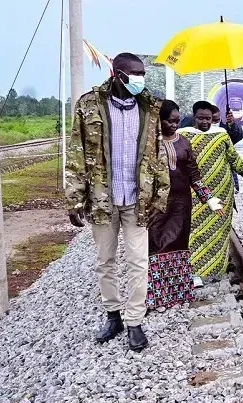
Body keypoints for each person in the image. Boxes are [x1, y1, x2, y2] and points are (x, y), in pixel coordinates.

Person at [65, 52, 170, 352]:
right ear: (118, 74)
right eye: (135, 73)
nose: (140, 79)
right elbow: (76, 153)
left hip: (139, 200)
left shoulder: (150, 108)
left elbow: (158, 155)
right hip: (102, 199)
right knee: (105, 261)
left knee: (138, 261)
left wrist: (160, 198)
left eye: (143, 74)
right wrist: (75, 199)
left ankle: (135, 321)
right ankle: (113, 316)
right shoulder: (88, 106)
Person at [146, 100, 224, 310]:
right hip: (157, 205)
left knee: (179, 244)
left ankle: (178, 294)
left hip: (182, 204)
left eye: (177, 121)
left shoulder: (184, 143)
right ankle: (157, 295)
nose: (174, 125)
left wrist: (210, 199)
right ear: (159, 120)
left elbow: (194, 175)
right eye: (169, 121)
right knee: (157, 244)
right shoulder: (148, 143)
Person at [178, 100, 243, 281]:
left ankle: (216, 270)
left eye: (208, 118)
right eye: (200, 118)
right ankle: (195, 270)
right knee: (195, 231)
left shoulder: (222, 135)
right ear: (194, 117)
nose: (205, 122)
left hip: (222, 192)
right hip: (195, 193)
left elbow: (233, 158)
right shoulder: (184, 136)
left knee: (219, 230)